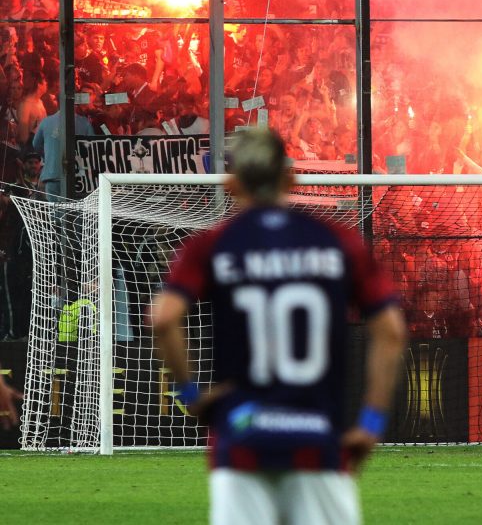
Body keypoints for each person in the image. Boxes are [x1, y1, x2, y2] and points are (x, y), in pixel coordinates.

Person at [149, 128, 406, 525]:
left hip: (240, 438)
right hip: (317, 440)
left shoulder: (212, 245)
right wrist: (370, 422)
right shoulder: (338, 241)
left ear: (232, 185)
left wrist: (190, 393)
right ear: (291, 179)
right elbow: (390, 330)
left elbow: (163, 318)